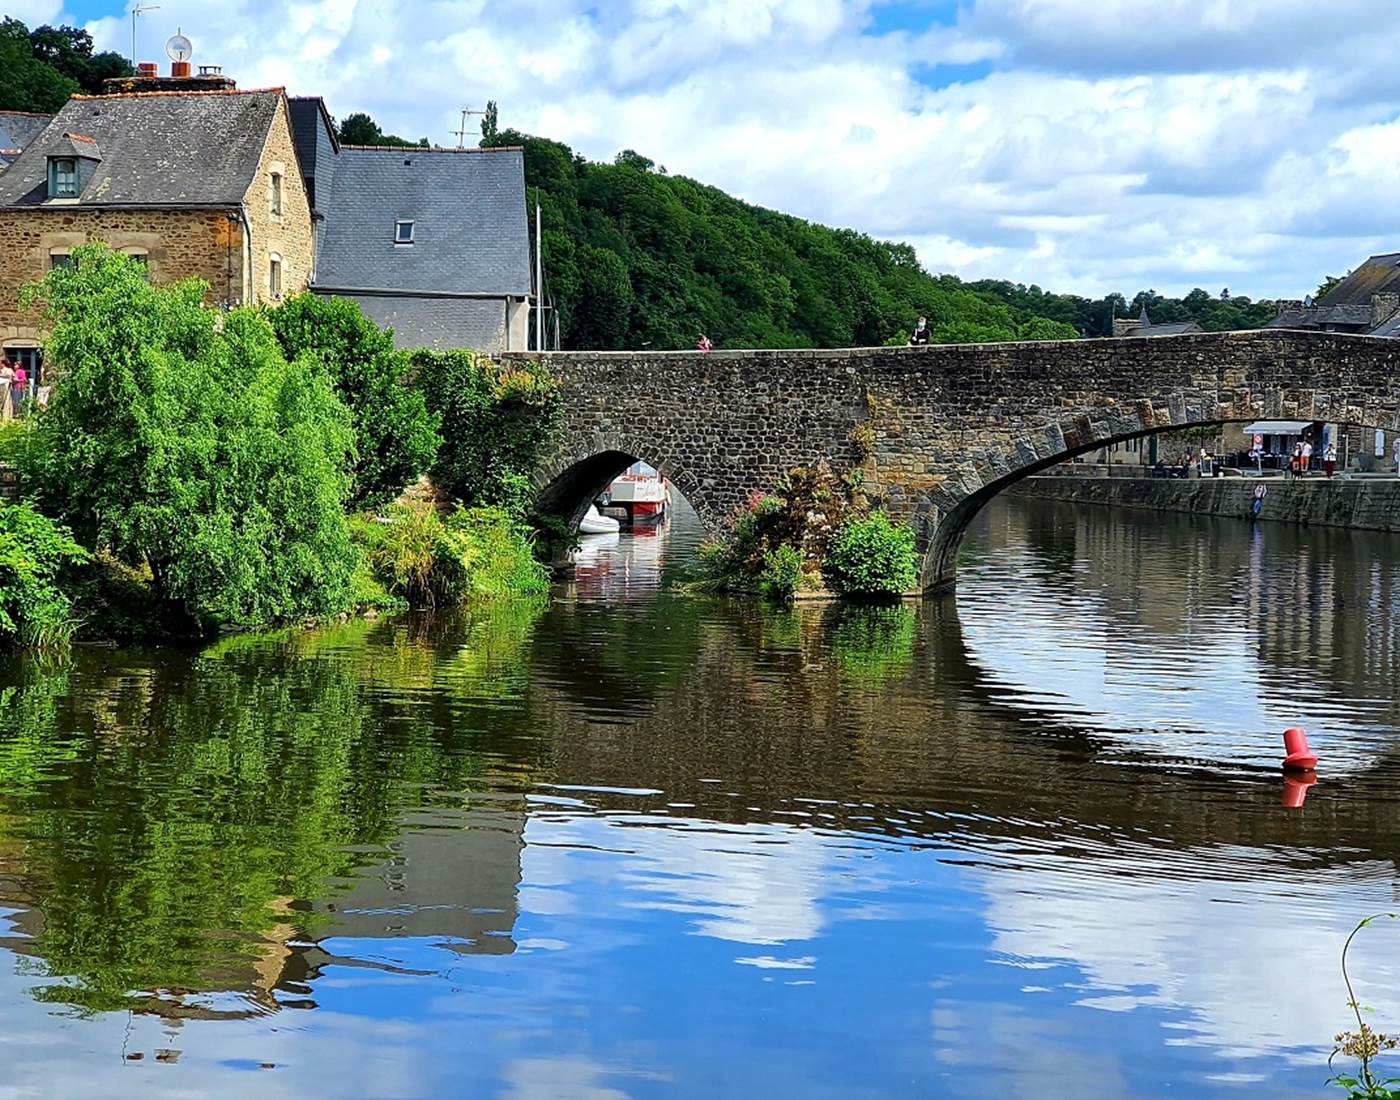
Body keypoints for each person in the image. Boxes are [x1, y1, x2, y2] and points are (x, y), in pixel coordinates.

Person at [0, 358, 13, 423]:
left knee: (6, 402)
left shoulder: (7, 370)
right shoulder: (3, 370)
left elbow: (12, 376)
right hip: (2, 387)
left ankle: (6, 418)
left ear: (3, 364)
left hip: (5, 387)